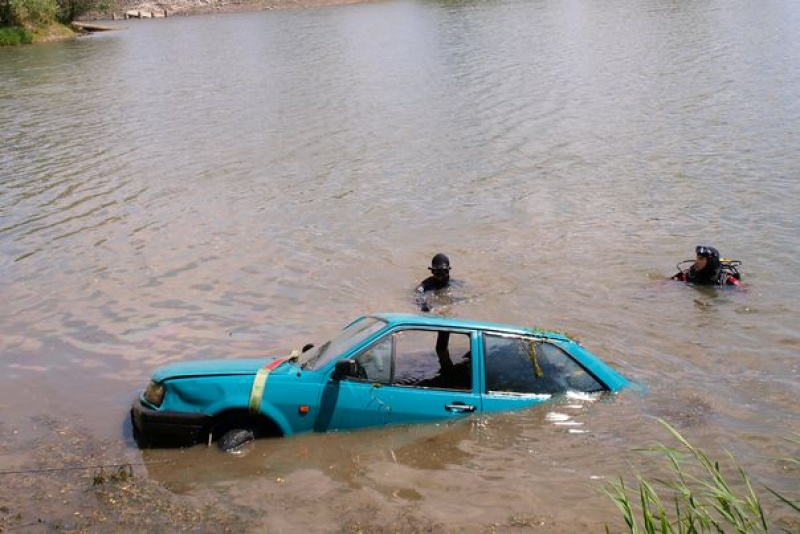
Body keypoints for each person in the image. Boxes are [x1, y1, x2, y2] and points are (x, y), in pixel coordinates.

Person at [672, 245, 742, 286]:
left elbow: (744, 291)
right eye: (697, 258)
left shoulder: (726, 280)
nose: (696, 262)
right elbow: (667, 283)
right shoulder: (689, 274)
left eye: (701, 259)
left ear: (710, 262)